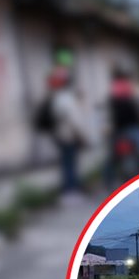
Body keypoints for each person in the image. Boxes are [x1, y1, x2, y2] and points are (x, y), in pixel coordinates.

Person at [47, 66, 87, 195]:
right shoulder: (66, 98)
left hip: (61, 135)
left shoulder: (57, 97)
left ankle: (69, 189)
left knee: (67, 163)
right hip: (69, 135)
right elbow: (74, 120)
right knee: (70, 164)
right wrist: (81, 135)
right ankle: (71, 190)